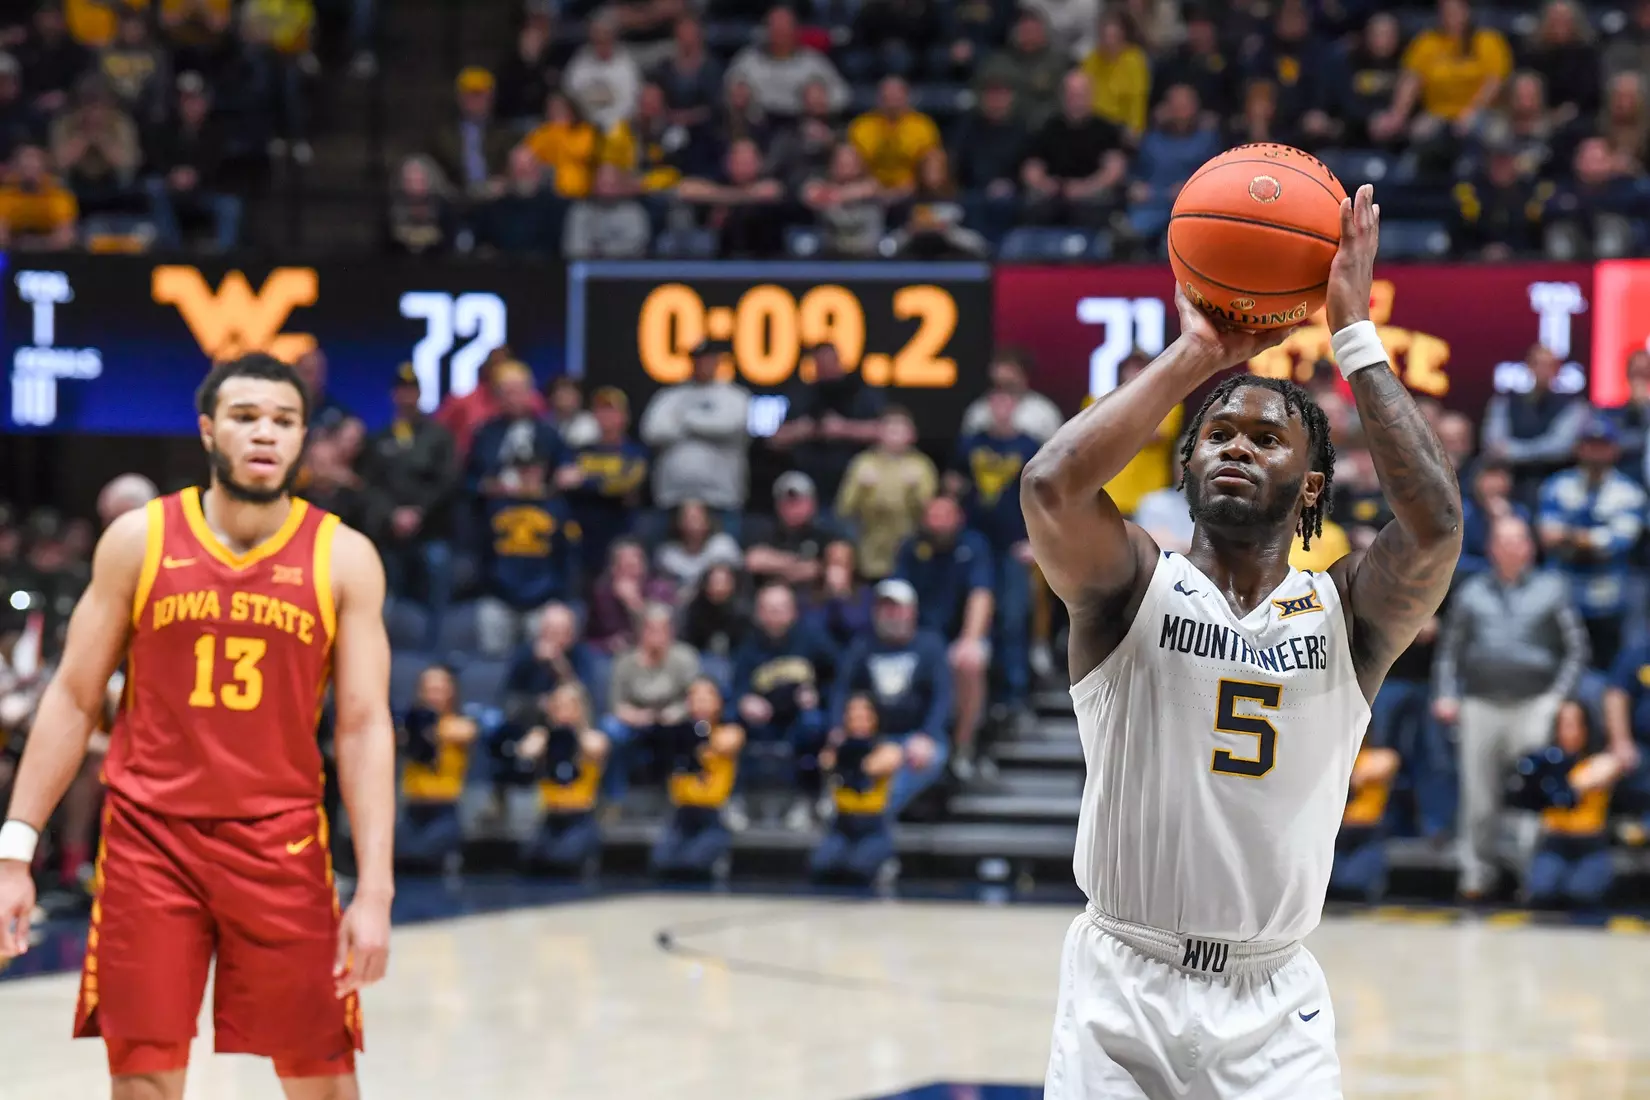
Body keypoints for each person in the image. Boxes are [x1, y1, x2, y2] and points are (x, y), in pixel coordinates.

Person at [1024, 186, 1462, 1097]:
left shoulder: (1345, 613)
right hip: (1122, 984)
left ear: (1310, 487)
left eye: (1268, 438)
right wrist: (1196, 355)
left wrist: (1354, 336)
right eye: (1217, 434)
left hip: (1274, 1002)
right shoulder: (1131, 589)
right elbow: (1051, 489)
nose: (1236, 446)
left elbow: (1436, 530)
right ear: (1186, 471)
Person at [0, 353, 395, 1098]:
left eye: (283, 421)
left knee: (323, 1076)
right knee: (143, 1077)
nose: (264, 435)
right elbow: (73, 697)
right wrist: (14, 852)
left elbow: (366, 726)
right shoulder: (138, 542)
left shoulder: (344, 558)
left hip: (280, 841)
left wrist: (375, 889)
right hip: (151, 842)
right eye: (246, 418)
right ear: (209, 430)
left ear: (304, 437)